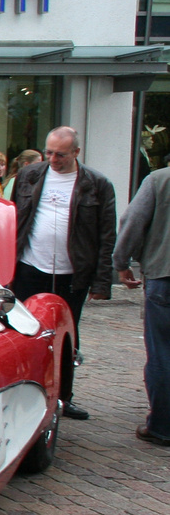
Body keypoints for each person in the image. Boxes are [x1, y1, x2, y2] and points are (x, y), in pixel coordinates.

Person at [11, 127, 117, 421]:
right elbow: (14, 218)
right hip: (30, 267)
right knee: (24, 332)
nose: (53, 159)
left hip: (74, 272)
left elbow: (107, 235)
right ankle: (22, 392)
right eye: (49, 152)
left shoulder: (97, 184)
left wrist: (101, 281)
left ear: (76, 153)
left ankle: (64, 397)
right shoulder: (30, 175)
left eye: (61, 154)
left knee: (67, 335)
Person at [113, 165, 170, 444]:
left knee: (161, 352)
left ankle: (162, 425)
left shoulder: (159, 180)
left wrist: (121, 262)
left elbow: (132, 221)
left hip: (164, 275)